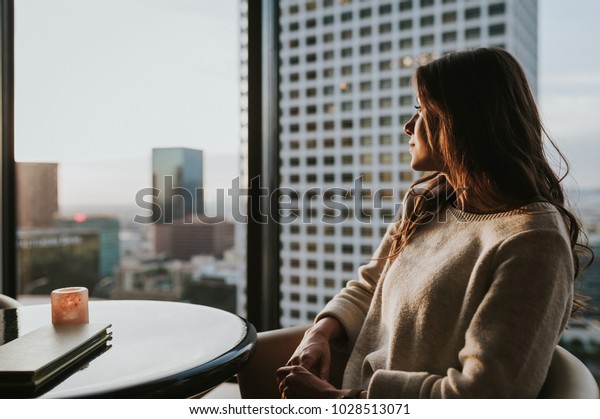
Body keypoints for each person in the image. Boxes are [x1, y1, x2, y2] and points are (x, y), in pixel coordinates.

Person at [275, 47, 592, 398]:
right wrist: (319, 331)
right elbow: (370, 286)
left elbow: (484, 394)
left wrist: (336, 401)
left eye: (421, 110)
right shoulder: (427, 203)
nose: (408, 125)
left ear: (464, 120)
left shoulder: (533, 241)